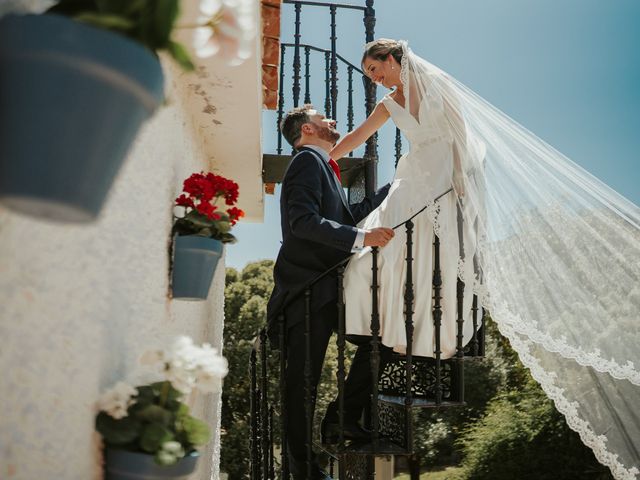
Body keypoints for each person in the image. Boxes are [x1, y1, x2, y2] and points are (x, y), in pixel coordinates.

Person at [330, 39, 640, 480]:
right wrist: (323, 157)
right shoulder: (388, 102)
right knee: (378, 257)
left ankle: (421, 325)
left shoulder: (437, 84)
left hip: (447, 177)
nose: (373, 77)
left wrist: (459, 184)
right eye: (368, 73)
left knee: (434, 259)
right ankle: (393, 321)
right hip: (414, 180)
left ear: (393, 59)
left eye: (375, 69)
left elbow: (458, 134)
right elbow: (358, 136)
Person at [266, 105, 393, 480]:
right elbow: (303, 222)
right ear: (307, 128)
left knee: (381, 340)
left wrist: (400, 187)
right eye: (325, 118)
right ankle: (303, 471)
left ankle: (342, 419)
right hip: (304, 292)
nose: (333, 121)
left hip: (329, 288)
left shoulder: (324, 166)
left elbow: (345, 218)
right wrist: (362, 238)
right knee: (301, 387)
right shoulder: (305, 161)